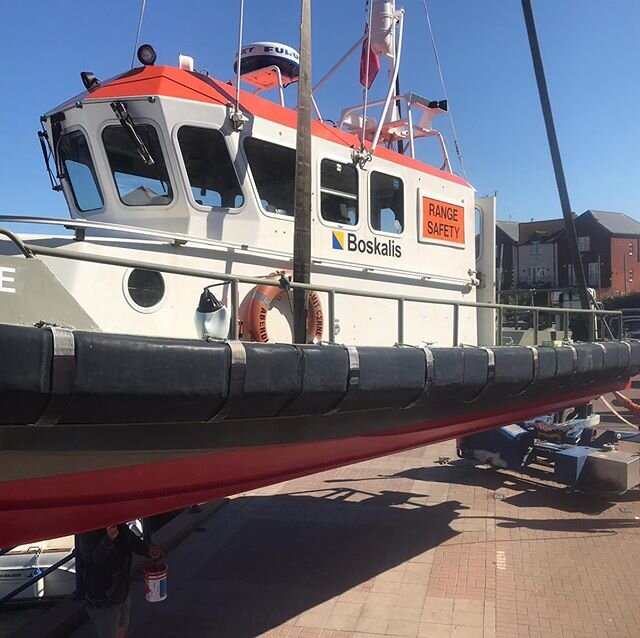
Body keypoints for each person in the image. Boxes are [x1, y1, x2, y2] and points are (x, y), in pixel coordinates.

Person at [77, 524, 164, 638]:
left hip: (121, 589)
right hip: (104, 598)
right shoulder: (87, 532)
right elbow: (95, 561)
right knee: (109, 632)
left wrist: (147, 549)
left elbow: (131, 540)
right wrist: (108, 540)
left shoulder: (118, 525)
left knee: (123, 624)